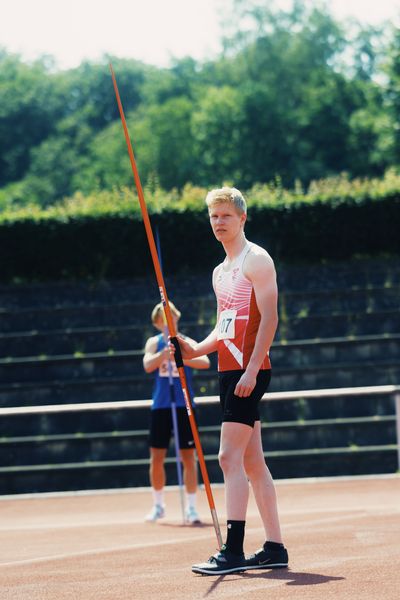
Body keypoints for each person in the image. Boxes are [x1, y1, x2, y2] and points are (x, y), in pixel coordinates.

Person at [171, 187, 288, 575]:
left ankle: (233, 551)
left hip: (250, 371)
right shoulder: (220, 273)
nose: (218, 223)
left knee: (227, 457)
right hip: (228, 369)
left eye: (225, 216)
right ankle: (274, 547)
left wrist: (253, 370)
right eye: (213, 217)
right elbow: (223, 330)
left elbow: (269, 319)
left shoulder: (257, 260)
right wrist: (191, 350)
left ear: (242, 218)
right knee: (253, 462)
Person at [143, 300, 210, 524]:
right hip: (161, 405)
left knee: (188, 457)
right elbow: (147, 365)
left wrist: (182, 357)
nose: (169, 320)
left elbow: (205, 362)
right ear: (157, 322)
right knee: (157, 456)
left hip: (184, 405)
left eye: (172, 316)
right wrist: (164, 355)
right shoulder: (154, 342)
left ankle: (191, 508)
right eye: (164, 317)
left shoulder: (185, 341)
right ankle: (158, 505)